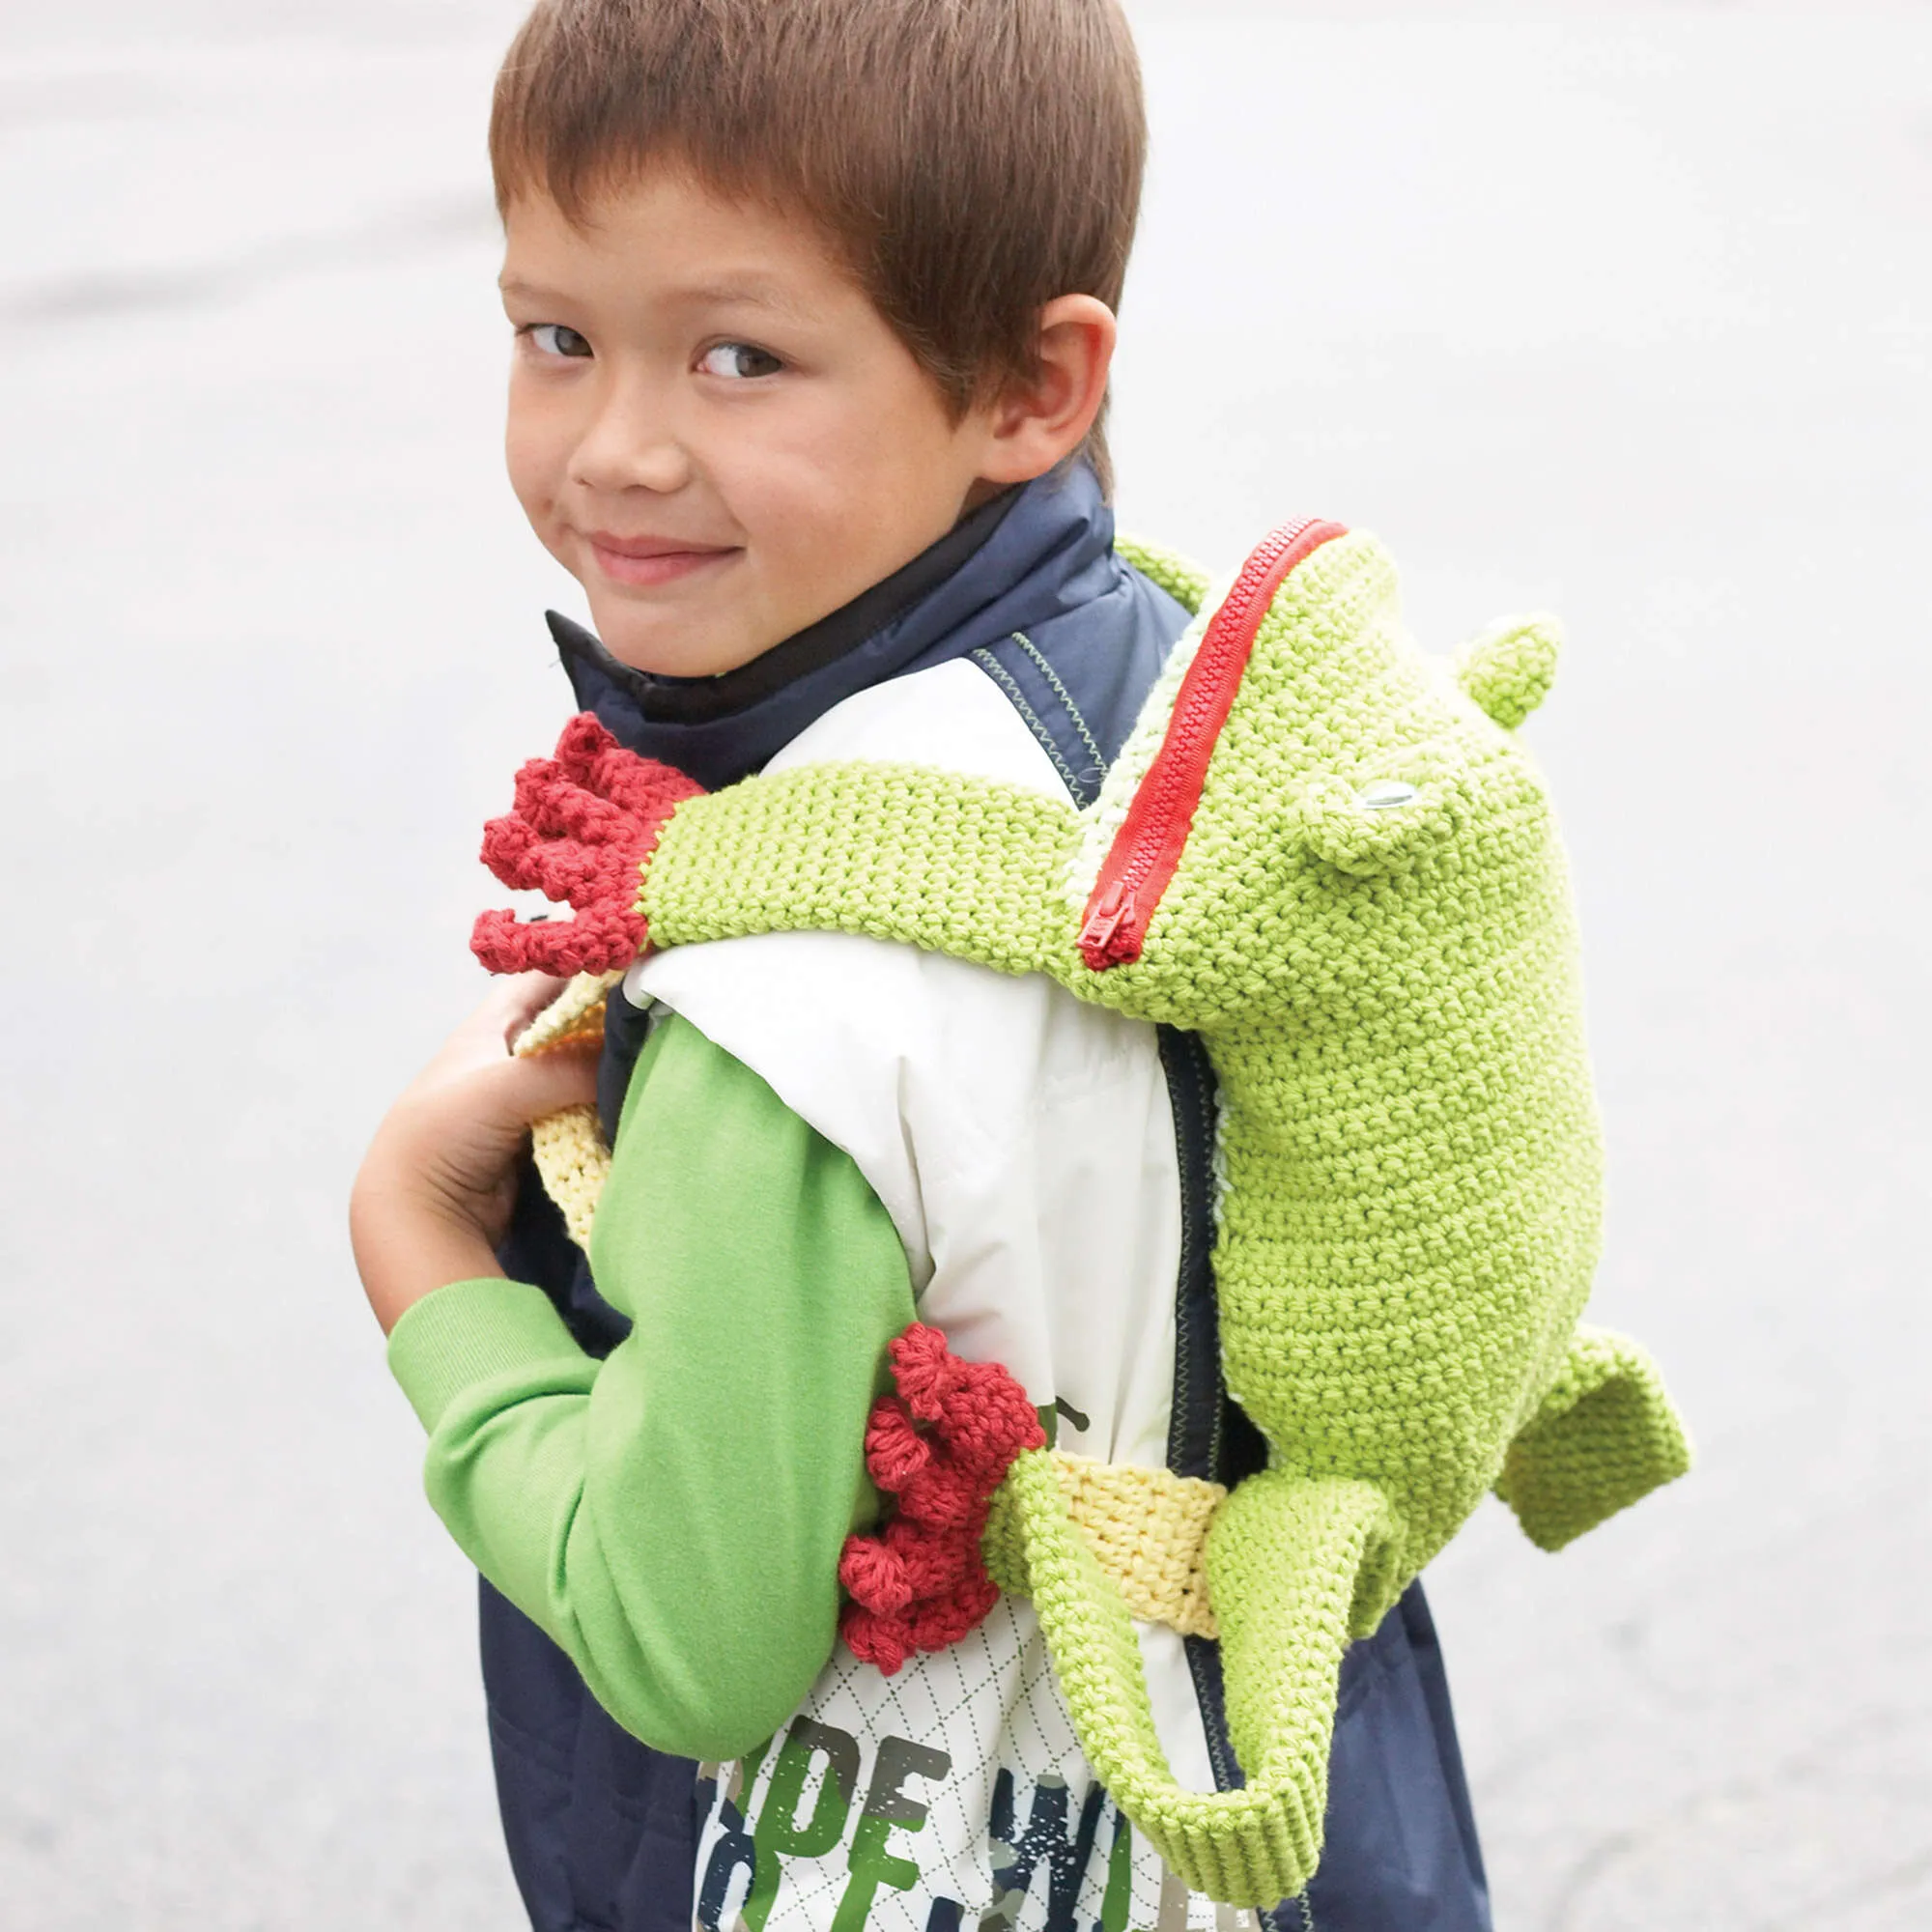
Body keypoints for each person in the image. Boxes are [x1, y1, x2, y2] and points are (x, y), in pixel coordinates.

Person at [350, 2, 1494, 1926]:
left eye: (740, 355)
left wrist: (426, 1259)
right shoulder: (1173, 716)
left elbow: (686, 1636)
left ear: (1030, 386)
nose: (614, 447)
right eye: (555, 335)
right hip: (1281, 1790)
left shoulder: (789, 994)